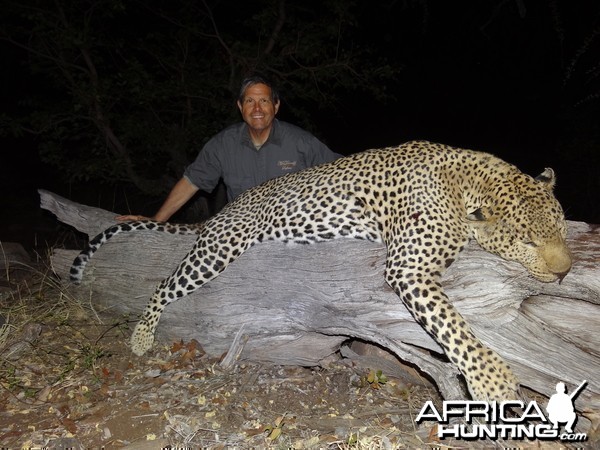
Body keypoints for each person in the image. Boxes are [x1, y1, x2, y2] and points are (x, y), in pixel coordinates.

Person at [117, 74, 340, 222]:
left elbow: (342, 173)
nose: (257, 108)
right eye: (250, 101)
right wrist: (156, 221)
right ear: (240, 106)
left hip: (290, 233)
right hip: (240, 234)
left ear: (276, 105)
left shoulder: (302, 142)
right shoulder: (223, 144)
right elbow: (191, 182)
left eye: (264, 101)